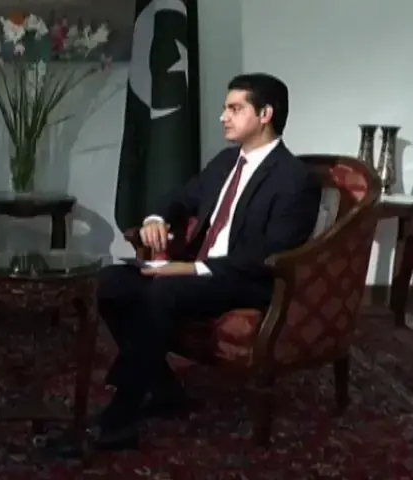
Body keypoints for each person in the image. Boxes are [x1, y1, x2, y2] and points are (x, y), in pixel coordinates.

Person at [94, 73, 322, 449]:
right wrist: (156, 219)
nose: (223, 117)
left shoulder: (294, 178)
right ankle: (164, 387)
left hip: (246, 279)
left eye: (235, 108)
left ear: (265, 114)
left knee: (162, 294)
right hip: (198, 271)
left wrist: (192, 268)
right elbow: (179, 198)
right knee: (109, 282)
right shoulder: (225, 162)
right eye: (224, 108)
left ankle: (120, 416)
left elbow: (272, 253)